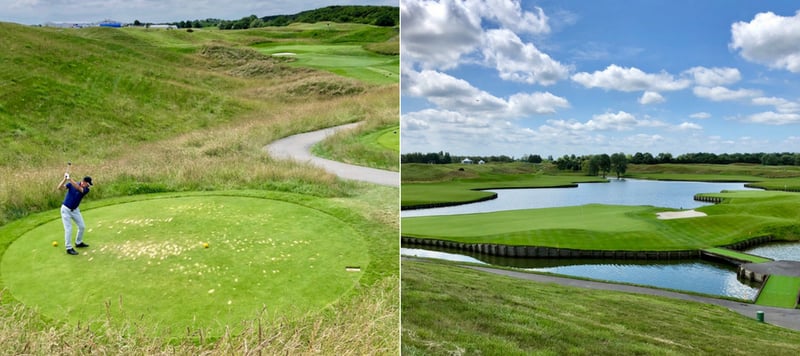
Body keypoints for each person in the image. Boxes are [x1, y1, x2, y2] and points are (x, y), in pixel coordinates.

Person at [57, 173, 93, 255]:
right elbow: (59, 188)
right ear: (84, 182)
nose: (89, 185)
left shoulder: (86, 189)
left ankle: (78, 242)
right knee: (68, 229)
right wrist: (64, 180)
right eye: (88, 184)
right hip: (65, 209)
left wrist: (69, 179)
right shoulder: (71, 184)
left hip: (75, 210)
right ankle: (68, 248)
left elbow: (79, 188)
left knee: (82, 226)